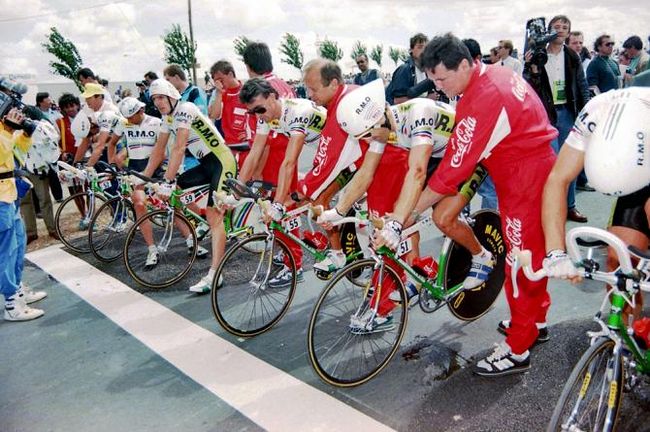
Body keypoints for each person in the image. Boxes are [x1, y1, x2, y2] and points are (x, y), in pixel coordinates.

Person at [403, 33, 557, 376]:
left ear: (464, 64)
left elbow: (453, 170)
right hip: (534, 166)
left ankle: (518, 348)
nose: (440, 87)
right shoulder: (495, 72)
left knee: (519, 262)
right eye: (433, 80)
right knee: (534, 252)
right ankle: (537, 320)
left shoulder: (483, 97)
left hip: (523, 178)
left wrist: (410, 213)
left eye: (443, 78)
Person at [317, 81, 455, 319]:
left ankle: (480, 257)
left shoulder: (417, 114)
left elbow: (418, 172)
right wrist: (338, 212)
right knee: (401, 214)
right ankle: (415, 269)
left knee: (435, 216)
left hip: (457, 151)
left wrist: (397, 221)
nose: (367, 140)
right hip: (431, 152)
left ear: (379, 120)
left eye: (368, 135)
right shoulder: (380, 130)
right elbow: (365, 174)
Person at [542, 86, 650, 323]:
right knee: (619, 265)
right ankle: (628, 340)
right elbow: (557, 179)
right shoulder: (597, 110)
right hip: (635, 181)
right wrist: (555, 252)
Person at [143, 79, 236, 293]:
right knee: (179, 186)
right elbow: (159, 150)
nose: (157, 102)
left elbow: (179, 147)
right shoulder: (167, 117)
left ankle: (215, 274)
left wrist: (166, 180)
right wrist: (143, 178)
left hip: (221, 161)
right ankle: (206, 220)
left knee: (215, 214)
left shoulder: (185, 108)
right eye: (154, 98)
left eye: (160, 97)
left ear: (172, 96)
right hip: (205, 164)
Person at [239, 78, 327, 287]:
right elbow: (255, 152)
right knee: (299, 201)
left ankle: (332, 253)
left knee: (291, 201)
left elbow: (289, 162)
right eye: (253, 112)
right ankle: (330, 245)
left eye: (260, 109)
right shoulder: (266, 116)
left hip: (339, 148)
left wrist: (278, 204)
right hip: (324, 150)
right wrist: (236, 188)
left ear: (272, 97)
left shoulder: (296, 111)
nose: (258, 116)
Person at [524, 14, 590, 223]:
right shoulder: (538, 54)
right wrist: (531, 67)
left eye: (564, 27)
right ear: (548, 30)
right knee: (550, 163)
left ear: (568, 32)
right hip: (546, 115)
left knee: (568, 162)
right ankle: (549, 208)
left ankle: (570, 206)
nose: (560, 30)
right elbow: (528, 86)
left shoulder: (572, 55)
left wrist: (585, 113)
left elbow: (581, 85)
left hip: (568, 113)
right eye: (556, 26)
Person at [0, 88, 45, 320]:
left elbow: (15, 153)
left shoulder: (4, 131)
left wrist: (25, 133)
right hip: (1, 197)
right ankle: (11, 304)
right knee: (5, 250)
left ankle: (16, 290)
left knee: (17, 244)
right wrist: (9, 129)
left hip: (9, 194)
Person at [208, 60, 250, 164]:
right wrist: (218, 93)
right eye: (216, 81)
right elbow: (214, 115)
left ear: (230, 74)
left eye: (221, 80)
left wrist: (249, 133)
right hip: (229, 147)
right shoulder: (222, 94)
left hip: (247, 147)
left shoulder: (247, 91)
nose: (219, 83)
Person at [386, 33, 446, 104]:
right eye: (420, 47)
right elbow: (398, 101)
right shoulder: (404, 70)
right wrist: (426, 100)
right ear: (411, 50)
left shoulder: (428, 72)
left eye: (426, 48)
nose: (424, 51)